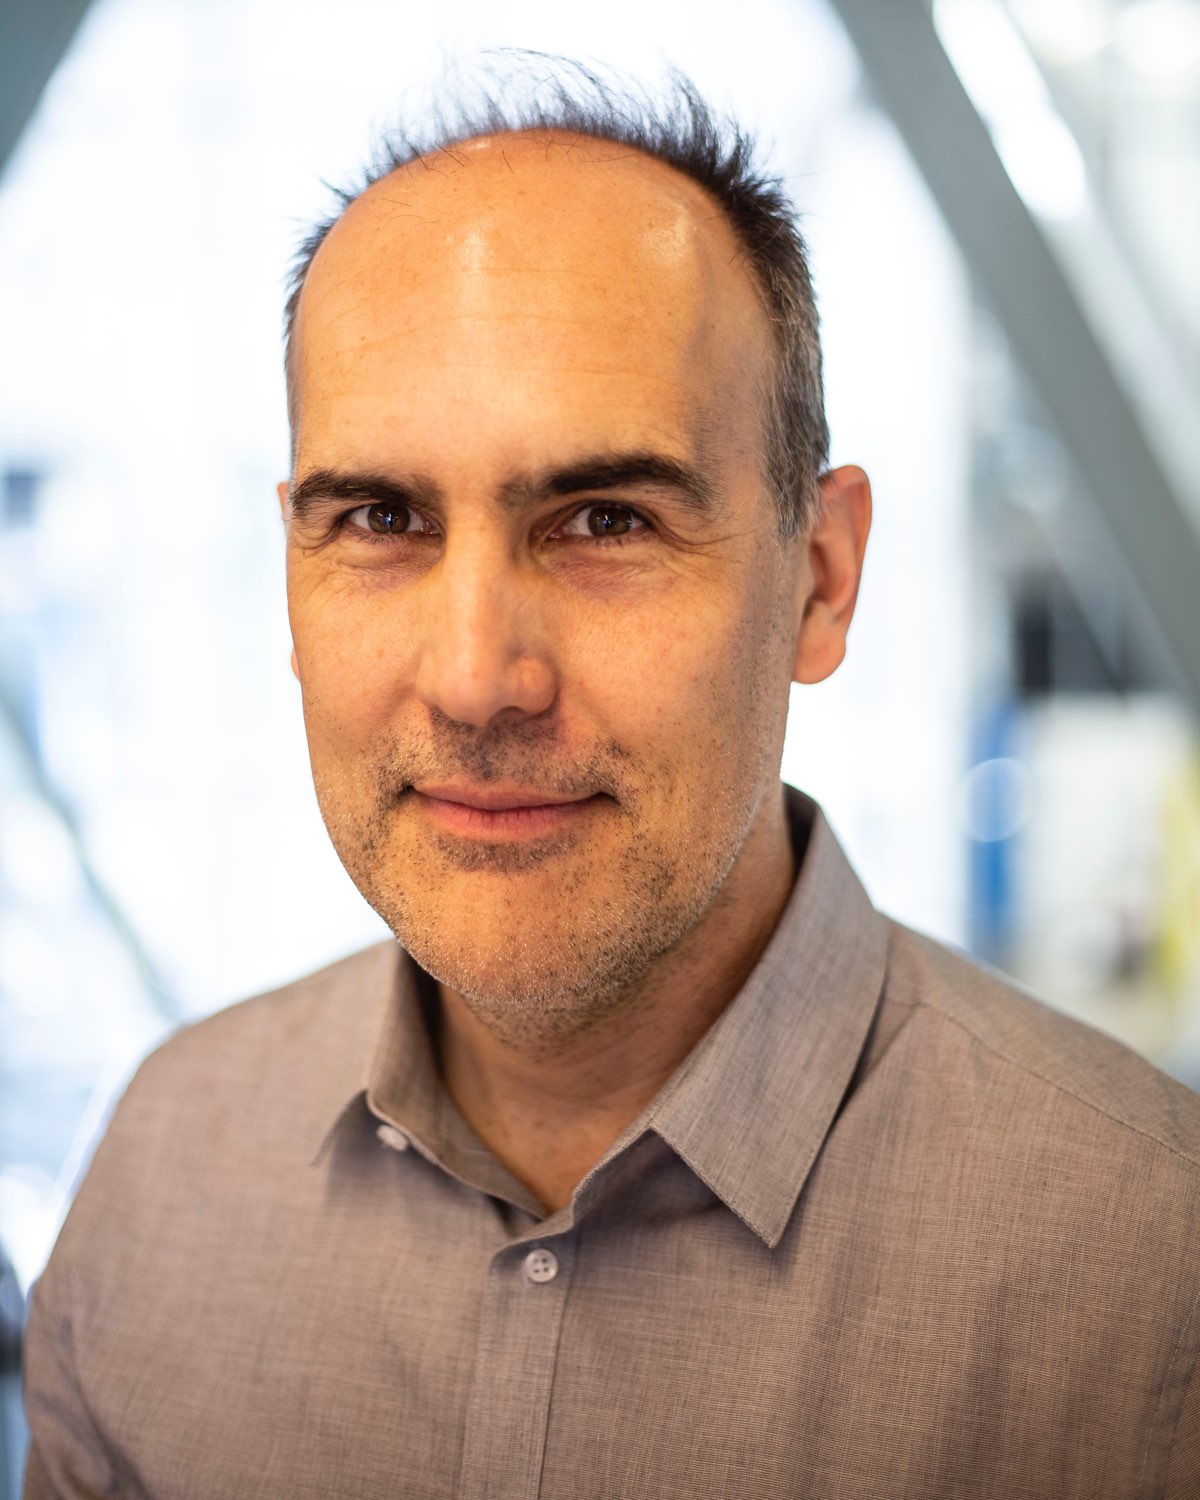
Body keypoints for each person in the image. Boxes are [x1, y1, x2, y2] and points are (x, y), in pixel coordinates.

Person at [21, 61, 1200, 1500]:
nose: (476, 679)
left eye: (604, 520)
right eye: (381, 518)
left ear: (821, 581)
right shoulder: (161, 1177)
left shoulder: (1150, 1274)